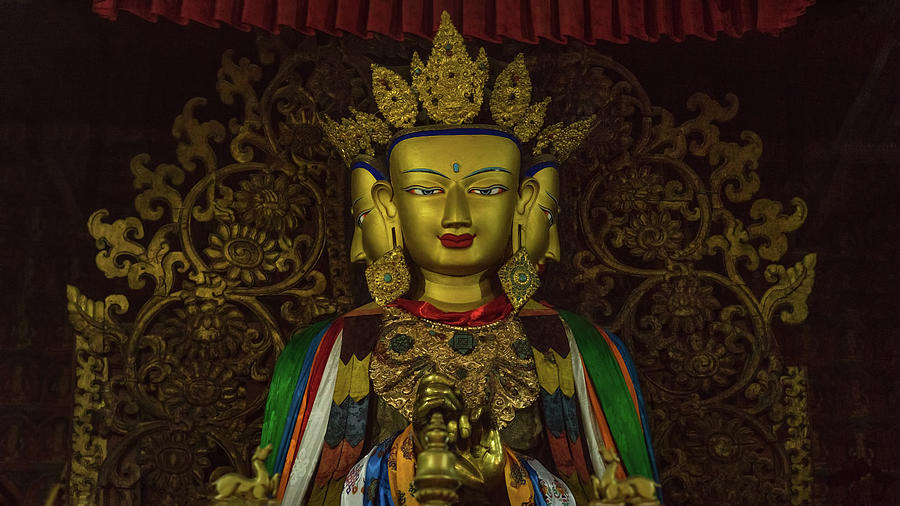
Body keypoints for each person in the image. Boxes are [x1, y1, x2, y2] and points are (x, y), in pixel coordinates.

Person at [257, 13, 659, 505]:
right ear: (386, 205)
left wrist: (502, 475)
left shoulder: (584, 352)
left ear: (525, 202)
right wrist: (403, 462)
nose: (456, 215)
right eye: (426, 189)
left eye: (487, 188)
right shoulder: (327, 353)